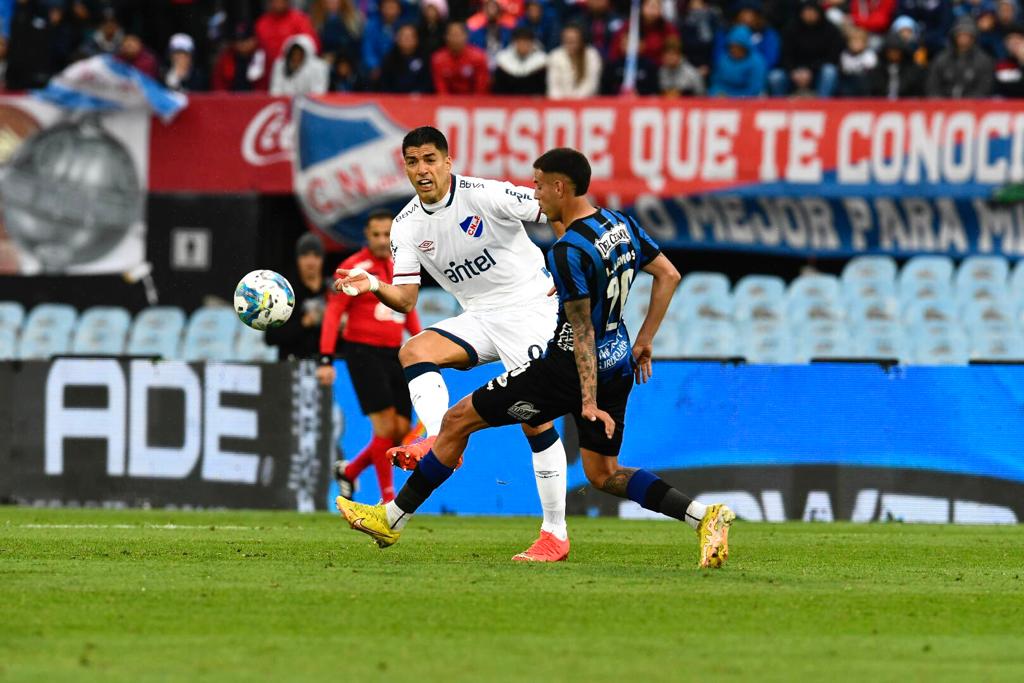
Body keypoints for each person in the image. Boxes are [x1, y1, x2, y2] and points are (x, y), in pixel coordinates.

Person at [334, 147, 735, 569]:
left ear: (560, 187)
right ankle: (701, 516)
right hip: (617, 358)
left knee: (472, 420)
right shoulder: (620, 222)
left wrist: (586, 401)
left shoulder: (563, 250)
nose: (534, 194)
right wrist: (645, 341)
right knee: (604, 474)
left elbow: (579, 331)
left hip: (561, 366)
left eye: (539, 185)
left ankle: (537, 530)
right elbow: (669, 274)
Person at [332, 126, 572, 562]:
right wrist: (370, 283)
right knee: (415, 350)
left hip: (530, 309)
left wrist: (564, 266)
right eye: (412, 162)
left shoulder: (486, 194)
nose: (422, 170)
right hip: (480, 316)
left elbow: (557, 209)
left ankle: (555, 533)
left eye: (429, 159)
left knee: (534, 419)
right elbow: (405, 299)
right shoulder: (405, 226)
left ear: (448, 162)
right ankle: (438, 436)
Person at [319, 210, 422, 503]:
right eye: (376, 234)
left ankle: (349, 472)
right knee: (386, 427)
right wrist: (326, 358)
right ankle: (389, 500)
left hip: (394, 353)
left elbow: (408, 308)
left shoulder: (400, 265)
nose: (381, 240)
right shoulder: (354, 267)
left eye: (387, 234)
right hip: (362, 351)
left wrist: (421, 344)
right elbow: (334, 312)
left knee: (401, 432)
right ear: (366, 235)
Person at [266, 233, 327, 360]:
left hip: (328, 365)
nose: (311, 262)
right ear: (297, 259)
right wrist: (304, 323)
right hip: (292, 363)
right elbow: (270, 337)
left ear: (322, 259)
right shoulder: (283, 292)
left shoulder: (331, 291)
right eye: (305, 255)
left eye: (316, 255)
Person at [770, 0, 842, 97]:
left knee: (829, 71)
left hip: (817, 72)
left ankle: (823, 104)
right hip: (794, 73)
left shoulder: (831, 30)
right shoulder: (790, 29)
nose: (809, 15)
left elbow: (833, 57)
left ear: (819, 13)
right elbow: (785, 55)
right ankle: (779, 107)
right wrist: (793, 71)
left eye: (812, 12)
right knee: (775, 77)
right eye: (806, 12)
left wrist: (811, 70)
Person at [926, 15, 994, 96]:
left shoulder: (983, 60)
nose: (964, 38)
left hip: (973, 105)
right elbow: (932, 85)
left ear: (973, 37)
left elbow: (984, 87)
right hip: (943, 105)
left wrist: (966, 105)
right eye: (961, 34)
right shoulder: (941, 58)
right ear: (955, 36)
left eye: (967, 35)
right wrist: (940, 102)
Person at [255, 0, 319, 72]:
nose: (279, 2)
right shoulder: (261, 23)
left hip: (297, 72)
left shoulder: (300, 19)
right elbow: (259, 54)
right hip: (269, 75)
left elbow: (313, 46)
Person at [431, 22, 490, 94]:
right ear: (446, 37)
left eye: (458, 35)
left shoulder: (479, 57)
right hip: (447, 103)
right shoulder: (438, 59)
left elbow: (481, 88)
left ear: (466, 36)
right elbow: (441, 89)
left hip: (474, 101)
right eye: (452, 35)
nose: (455, 39)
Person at [546, 23, 601, 99]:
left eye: (573, 40)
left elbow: (591, 84)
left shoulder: (591, 55)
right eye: (567, 40)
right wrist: (561, 103)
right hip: (560, 105)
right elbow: (553, 86)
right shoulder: (555, 56)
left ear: (581, 40)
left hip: (586, 102)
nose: (570, 44)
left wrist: (574, 102)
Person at [709, 24, 767, 96]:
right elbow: (716, 82)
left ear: (745, 47)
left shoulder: (757, 62)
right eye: (732, 47)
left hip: (747, 96)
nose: (734, 50)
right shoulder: (724, 59)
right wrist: (716, 92)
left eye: (738, 47)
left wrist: (734, 97)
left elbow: (755, 88)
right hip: (724, 96)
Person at [493, 26, 548, 95]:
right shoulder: (503, 60)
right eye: (520, 42)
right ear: (514, 43)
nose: (523, 45)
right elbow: (498, 90)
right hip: (508, 101)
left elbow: (544, 90)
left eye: (526, 42)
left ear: (532, 44)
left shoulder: (541, 62)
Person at [868, 32, 926, 97]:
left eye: (896, 51)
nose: (893, 54)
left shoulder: (914, 71)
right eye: (890, 51)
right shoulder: (877, 71)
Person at [838, 25, 878, 95]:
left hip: (865, 83)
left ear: (865, 43)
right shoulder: (845, 55)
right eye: (853, 42)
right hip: (849, 82)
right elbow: (845, 70)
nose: (855, 45)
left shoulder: (870, 55)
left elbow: (870, 70)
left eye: (858, 42)